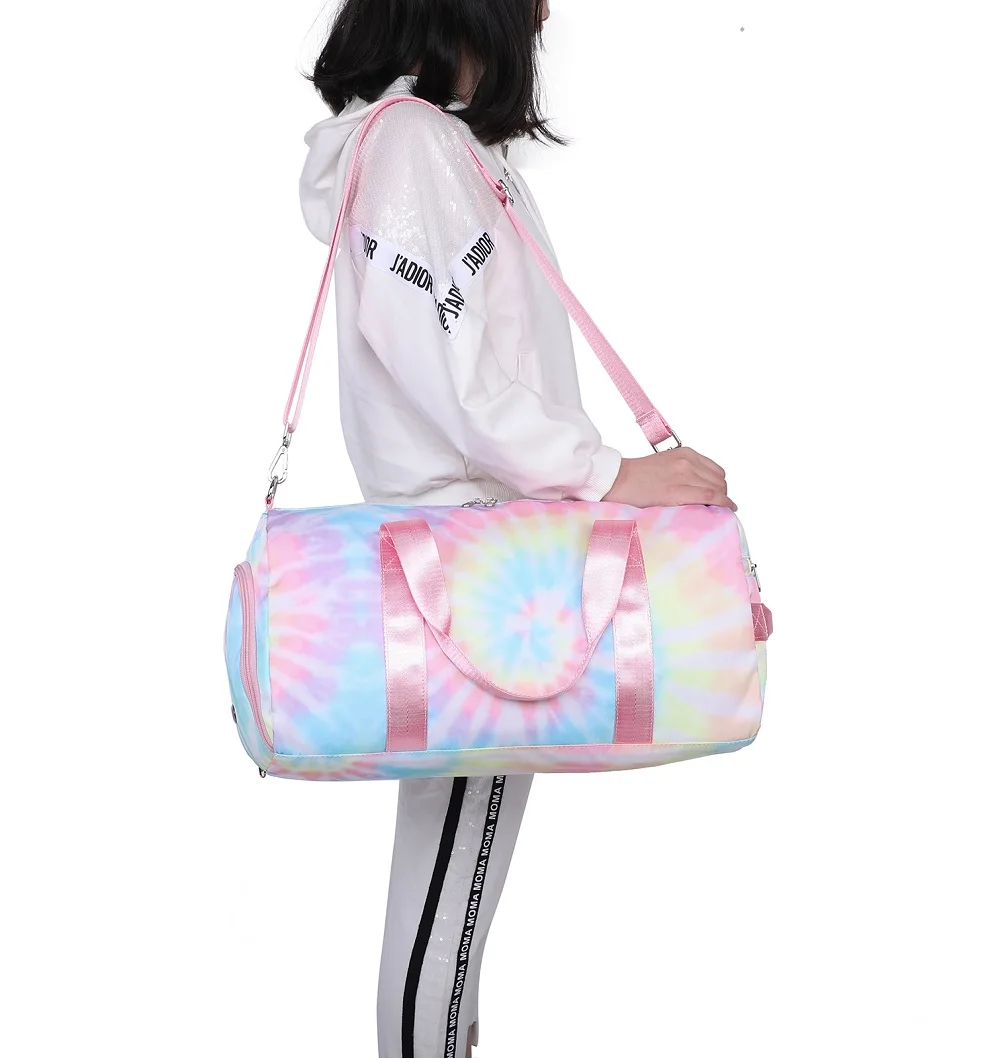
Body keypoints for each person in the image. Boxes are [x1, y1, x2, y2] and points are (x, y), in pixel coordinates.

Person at [299, 2, 735, 1055]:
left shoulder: (428, 146)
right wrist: (611, 471)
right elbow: (457, 381)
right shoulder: (411, 145)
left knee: (450, 880)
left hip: (477, 564)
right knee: (451, 884)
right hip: (475, 579)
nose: (546, 9)